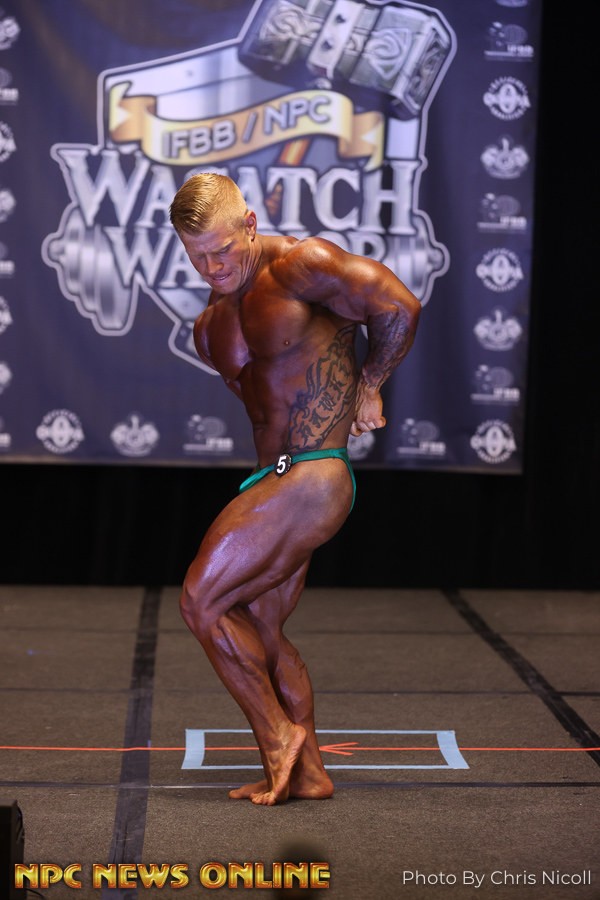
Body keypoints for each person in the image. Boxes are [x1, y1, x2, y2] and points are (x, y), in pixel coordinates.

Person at [170, 173, 421, 806]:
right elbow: (266, 405)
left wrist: (369, 384)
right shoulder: (209, 327)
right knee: (262, 630)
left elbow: (398, 305)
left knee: (201, 600)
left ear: (250, 224)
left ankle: (279, 736)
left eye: (222, 249)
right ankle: (308, 774)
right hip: (273, 478)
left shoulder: (300, 266)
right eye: (197, 255)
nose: (212, 267)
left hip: (312, 474)